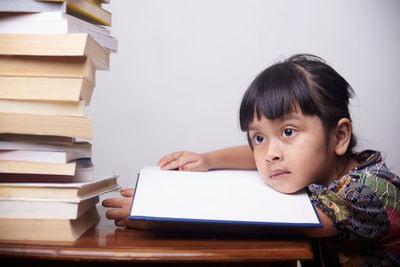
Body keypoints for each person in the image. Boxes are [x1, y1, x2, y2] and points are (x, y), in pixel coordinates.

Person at [102, 54, 400, 266]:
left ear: (338, 136)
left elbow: (267, 221)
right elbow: (258, 154)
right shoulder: (301, 163)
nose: (270, 153)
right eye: (259, 137)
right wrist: (207, 160)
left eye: (288, 131)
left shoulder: (370, 192)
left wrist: (159, 216)